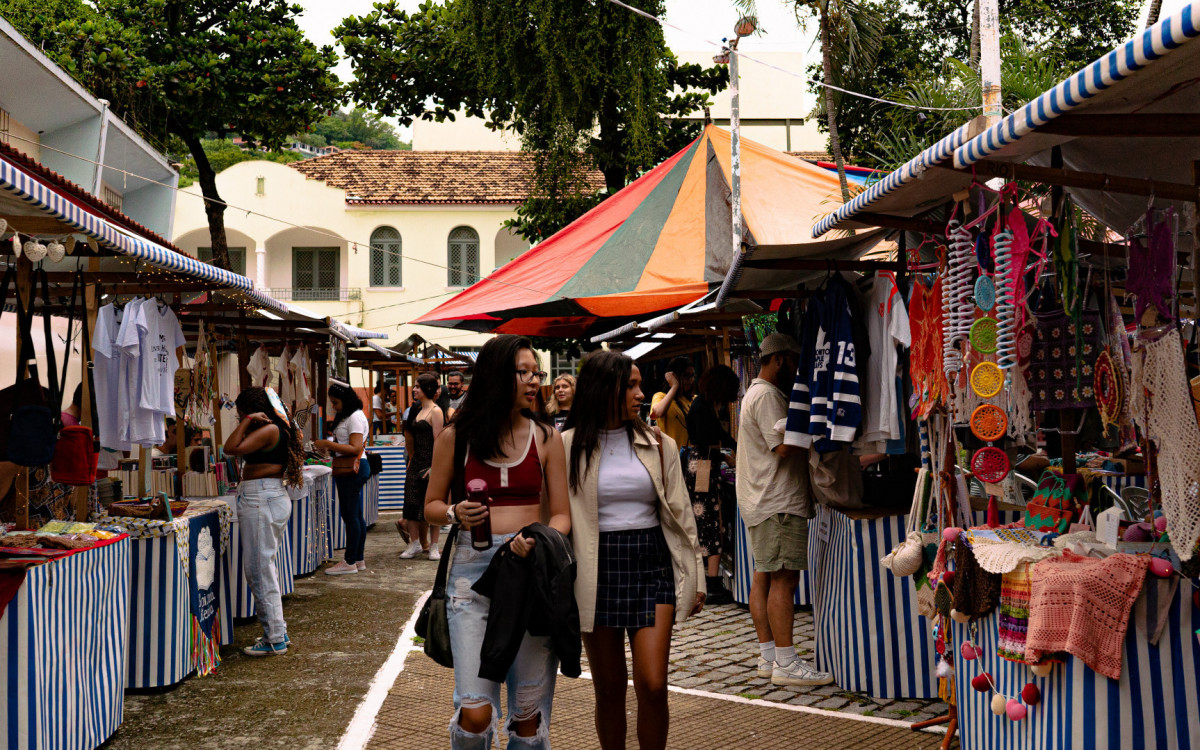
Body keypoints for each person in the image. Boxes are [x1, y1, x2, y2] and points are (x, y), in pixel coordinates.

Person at [424, 335, 571, 750]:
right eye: (521, 372)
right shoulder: (455, 437)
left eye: (535, 372)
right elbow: (431, 504)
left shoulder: (546, 436)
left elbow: (561, 514)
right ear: (495, 375)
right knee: (475, 712)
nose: (532, 380)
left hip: (531, 574)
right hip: (471, 577)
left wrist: (540, 539)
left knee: (527, 717)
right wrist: (454, 513)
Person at [564, 351, 704, 750]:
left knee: (654, 683)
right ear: (602, 388)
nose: (640, 394)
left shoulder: (659, 443)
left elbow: (681, 515)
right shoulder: (565, 446)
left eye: (640, 385)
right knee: (608, 689)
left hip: (651, 563)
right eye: (630, 386)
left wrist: (695, 575)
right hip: (595, 568)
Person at [736, 333, 833, 687]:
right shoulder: (766, 395)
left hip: (762, 498)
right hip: (776, 500)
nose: (796, 368)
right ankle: (787, 663)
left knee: (765, 575)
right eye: (792, 361)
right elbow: (782, 447)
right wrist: (818, 433)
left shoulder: (755, 393)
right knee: (783, 578)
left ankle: (770, 655)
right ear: (779, 360)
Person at [222, 386, 303, 656]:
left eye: (241, 413)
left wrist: (247, 422)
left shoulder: (269, 430)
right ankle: (277, 629)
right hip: (266, 496)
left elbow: (230, 447)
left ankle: (274, 638)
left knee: (259, 570)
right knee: (264, 567)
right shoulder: (276, 428)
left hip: (262, 497)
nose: (241, 418)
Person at [684, 365, 741, 606]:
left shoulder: (702, 405)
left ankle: (709, 579)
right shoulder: (703, 408)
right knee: (710, 522)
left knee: (705, 521)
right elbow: (708, 441)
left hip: (700, 467)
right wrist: (726, 455)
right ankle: (712, 581)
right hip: (703, 468)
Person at [318, 382, 371, 575]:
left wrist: (327, 444)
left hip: (353, 469)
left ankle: (350, 561)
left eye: (336, 402)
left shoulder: (355, 416)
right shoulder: (349, 415)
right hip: (350, 468)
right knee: (355, 516)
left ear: (346, 400)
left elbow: (355, 448)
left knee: (351, 517)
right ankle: (358, 559)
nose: (334, 406)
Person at [401, 372, 444, 560]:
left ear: (426, 389)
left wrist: (436, 467)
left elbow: (439, 441)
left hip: (430, 463)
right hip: (416, 461)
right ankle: (415, 543)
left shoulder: (436, 411)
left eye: (417, 386)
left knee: (431, 506)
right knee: (410, 503)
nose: (414, 389)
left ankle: (434, 546)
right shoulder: (417, 410)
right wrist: (411, 458)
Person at [649, 357, 695, 448]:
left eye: (692, 376)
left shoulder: (694, 399)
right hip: (670, 457)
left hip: (691, 458)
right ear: (675, 376)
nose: (690, 380)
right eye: (686, 375)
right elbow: (658, 412)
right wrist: (674, 386)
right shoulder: (660, 396)